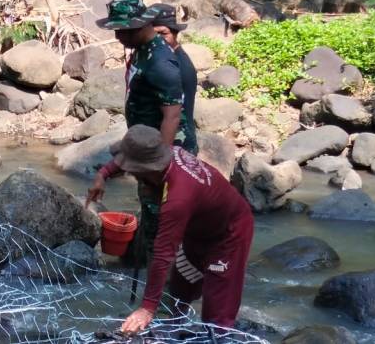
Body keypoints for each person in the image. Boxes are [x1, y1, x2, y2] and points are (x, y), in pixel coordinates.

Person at [87, 125, 253, 330]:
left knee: (217, 312)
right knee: (180, 289)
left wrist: (147, 308)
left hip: (230, 234)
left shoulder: (178, 198)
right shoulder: (169, 153)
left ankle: (220, 335)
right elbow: (130, 158)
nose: (128, 171)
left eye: (132, 170)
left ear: (146, 170)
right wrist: (102, 174)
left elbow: (163, 253)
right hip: (198, 229)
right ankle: (176, 331)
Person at [95, 0, 194, 266]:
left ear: (140, 26)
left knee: (164, 225)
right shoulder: (141, 50)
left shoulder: (161, 62)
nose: (117, 37)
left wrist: (160, 166)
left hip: (165, 152)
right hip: (147, 148)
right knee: (152, 220)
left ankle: (166, 294)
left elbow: (172, 116)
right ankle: (156, 283)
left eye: (121, 31)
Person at [152, 4, 198, 155]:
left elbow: (175, 115)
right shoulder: (163, 58)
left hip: (179, 143)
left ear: (175, 33)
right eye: (154, 34)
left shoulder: (181, 67)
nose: (159, 39)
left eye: (163, 33)